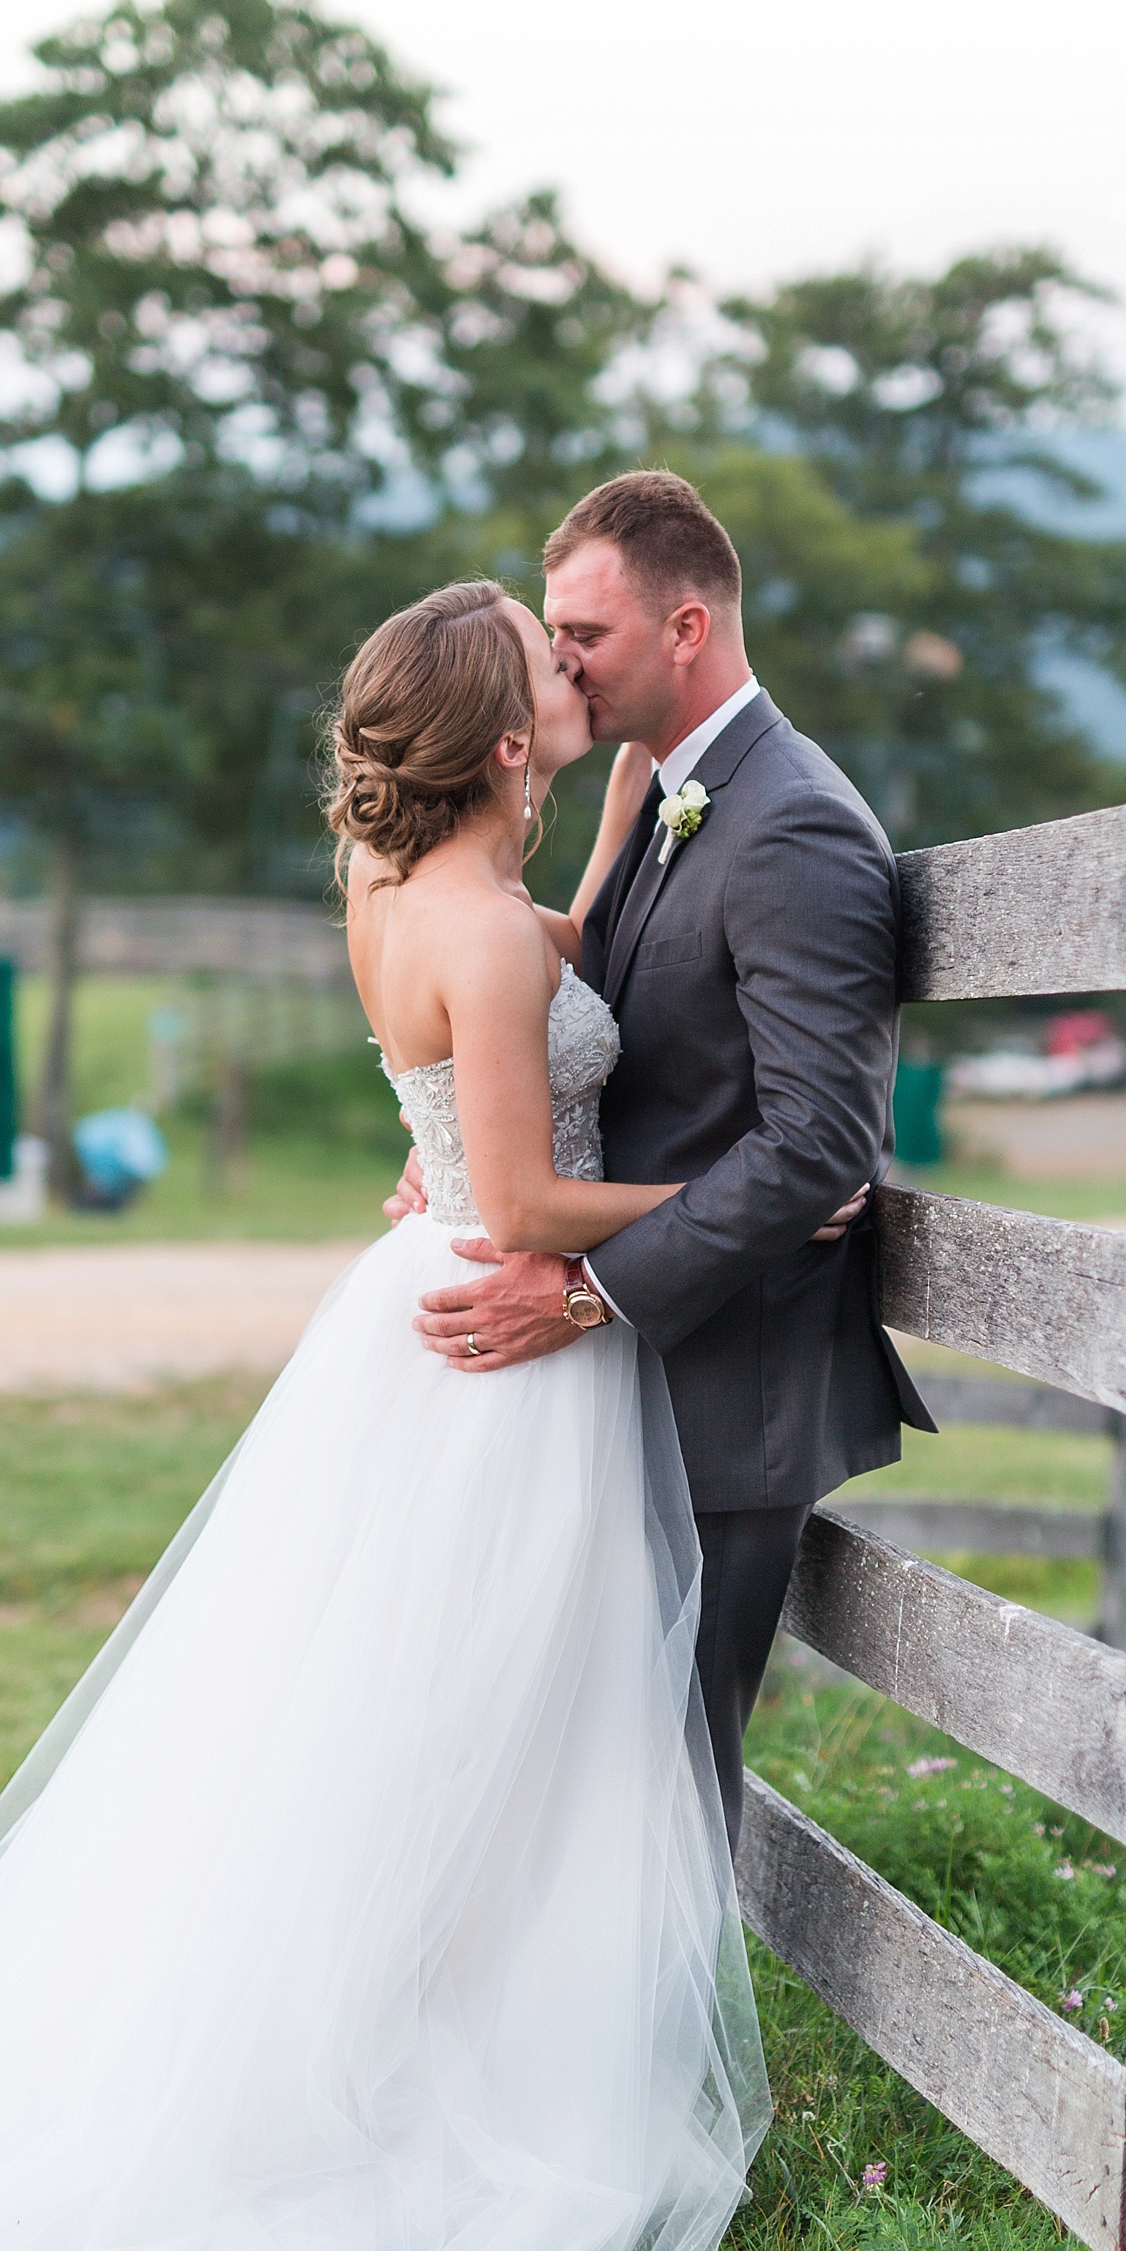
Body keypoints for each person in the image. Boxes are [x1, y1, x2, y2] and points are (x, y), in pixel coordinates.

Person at [0, 578, 774, 2251]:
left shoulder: (391, 898)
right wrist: (739, 1194)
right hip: (500, 1356)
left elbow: (495, 1026)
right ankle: (426, 2085)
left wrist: (609, 842)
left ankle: (409, 2026)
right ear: (510, 741)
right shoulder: (497, 945)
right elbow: (528, 1205)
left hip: (403, 1330)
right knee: (499, 1733)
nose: (575, 672)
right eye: (553, 670)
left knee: (383, 1731)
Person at [392, 472, 934, 1853]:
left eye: (588, 632)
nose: (560, 660)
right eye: (554, 632)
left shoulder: (794, 820)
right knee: (570, 1789)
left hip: (732, 1385)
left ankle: (630, 2075)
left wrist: (587, 1290)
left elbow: (818, 1144)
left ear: (687, 627)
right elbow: (574, 1011)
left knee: (667, 1797)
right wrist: (454, 1147)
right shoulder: (667, 790)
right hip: (626, 1373)